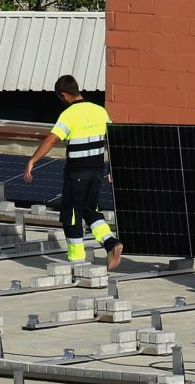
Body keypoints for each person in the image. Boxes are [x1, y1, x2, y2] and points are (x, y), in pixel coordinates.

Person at [23, 74, 123, 272]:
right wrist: (114, 169)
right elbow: (114, 140)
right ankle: (111, 242)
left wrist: (32, 160)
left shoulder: (69, 114)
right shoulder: (99, 111)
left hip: (77, 173)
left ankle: (77, 264)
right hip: (96, 172)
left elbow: (52, 139)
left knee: (71, 217)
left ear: (63, 95)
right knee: (90, 210)